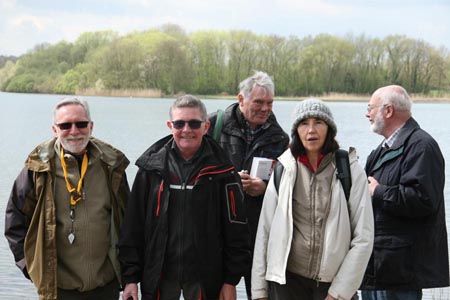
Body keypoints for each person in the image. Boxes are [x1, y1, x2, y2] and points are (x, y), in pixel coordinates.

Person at [119, 95, 251, 300]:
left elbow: (237, 231)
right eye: (179, 123)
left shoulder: (224, 171)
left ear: (206, 126)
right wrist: (130, 278)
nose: (187, 130)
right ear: (170, 125)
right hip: (158, 276)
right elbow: (133, 227)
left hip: (205, 279)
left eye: (194, 123)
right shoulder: (150, 169)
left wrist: (230, 280)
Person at [4, 98, 130, 300]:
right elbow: (14, 222)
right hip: (58, 290)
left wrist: (129, 275)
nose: (74, 131)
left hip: (106, 286)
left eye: (81, 124)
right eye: (65, 125)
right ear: (55, 129)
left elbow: (128, 223)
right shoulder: (37, 169)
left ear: (91, 126)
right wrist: (32, 269)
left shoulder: (112, 166)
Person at [252, 98, 374, 300]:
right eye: (303, 123)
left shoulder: (349, 169)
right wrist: (259, 292)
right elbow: (265, 231)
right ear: (296, 131)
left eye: (318, 122)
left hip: (333, 284)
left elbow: (363, 238)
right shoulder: (284, 168)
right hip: (286, 284)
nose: (311, 130)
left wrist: (339, 293)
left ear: (329, 129)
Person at [360, 85, 449, 300]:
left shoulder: (422, 146)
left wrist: (379, 191)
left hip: (401, 270)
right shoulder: (382, 149)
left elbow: (423, 200)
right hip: (377, 265)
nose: (367, 113)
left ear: (388, 111)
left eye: (370, 107)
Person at [207, 71, 289, 299]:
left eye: (270, 103)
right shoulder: (214, 125)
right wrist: (230, 183)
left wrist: (264, 189)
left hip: (258, 236)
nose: (265, 108)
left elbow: (288, 188)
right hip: (218, 233)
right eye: (259, 102)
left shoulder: (280, 138)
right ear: (241, 99)